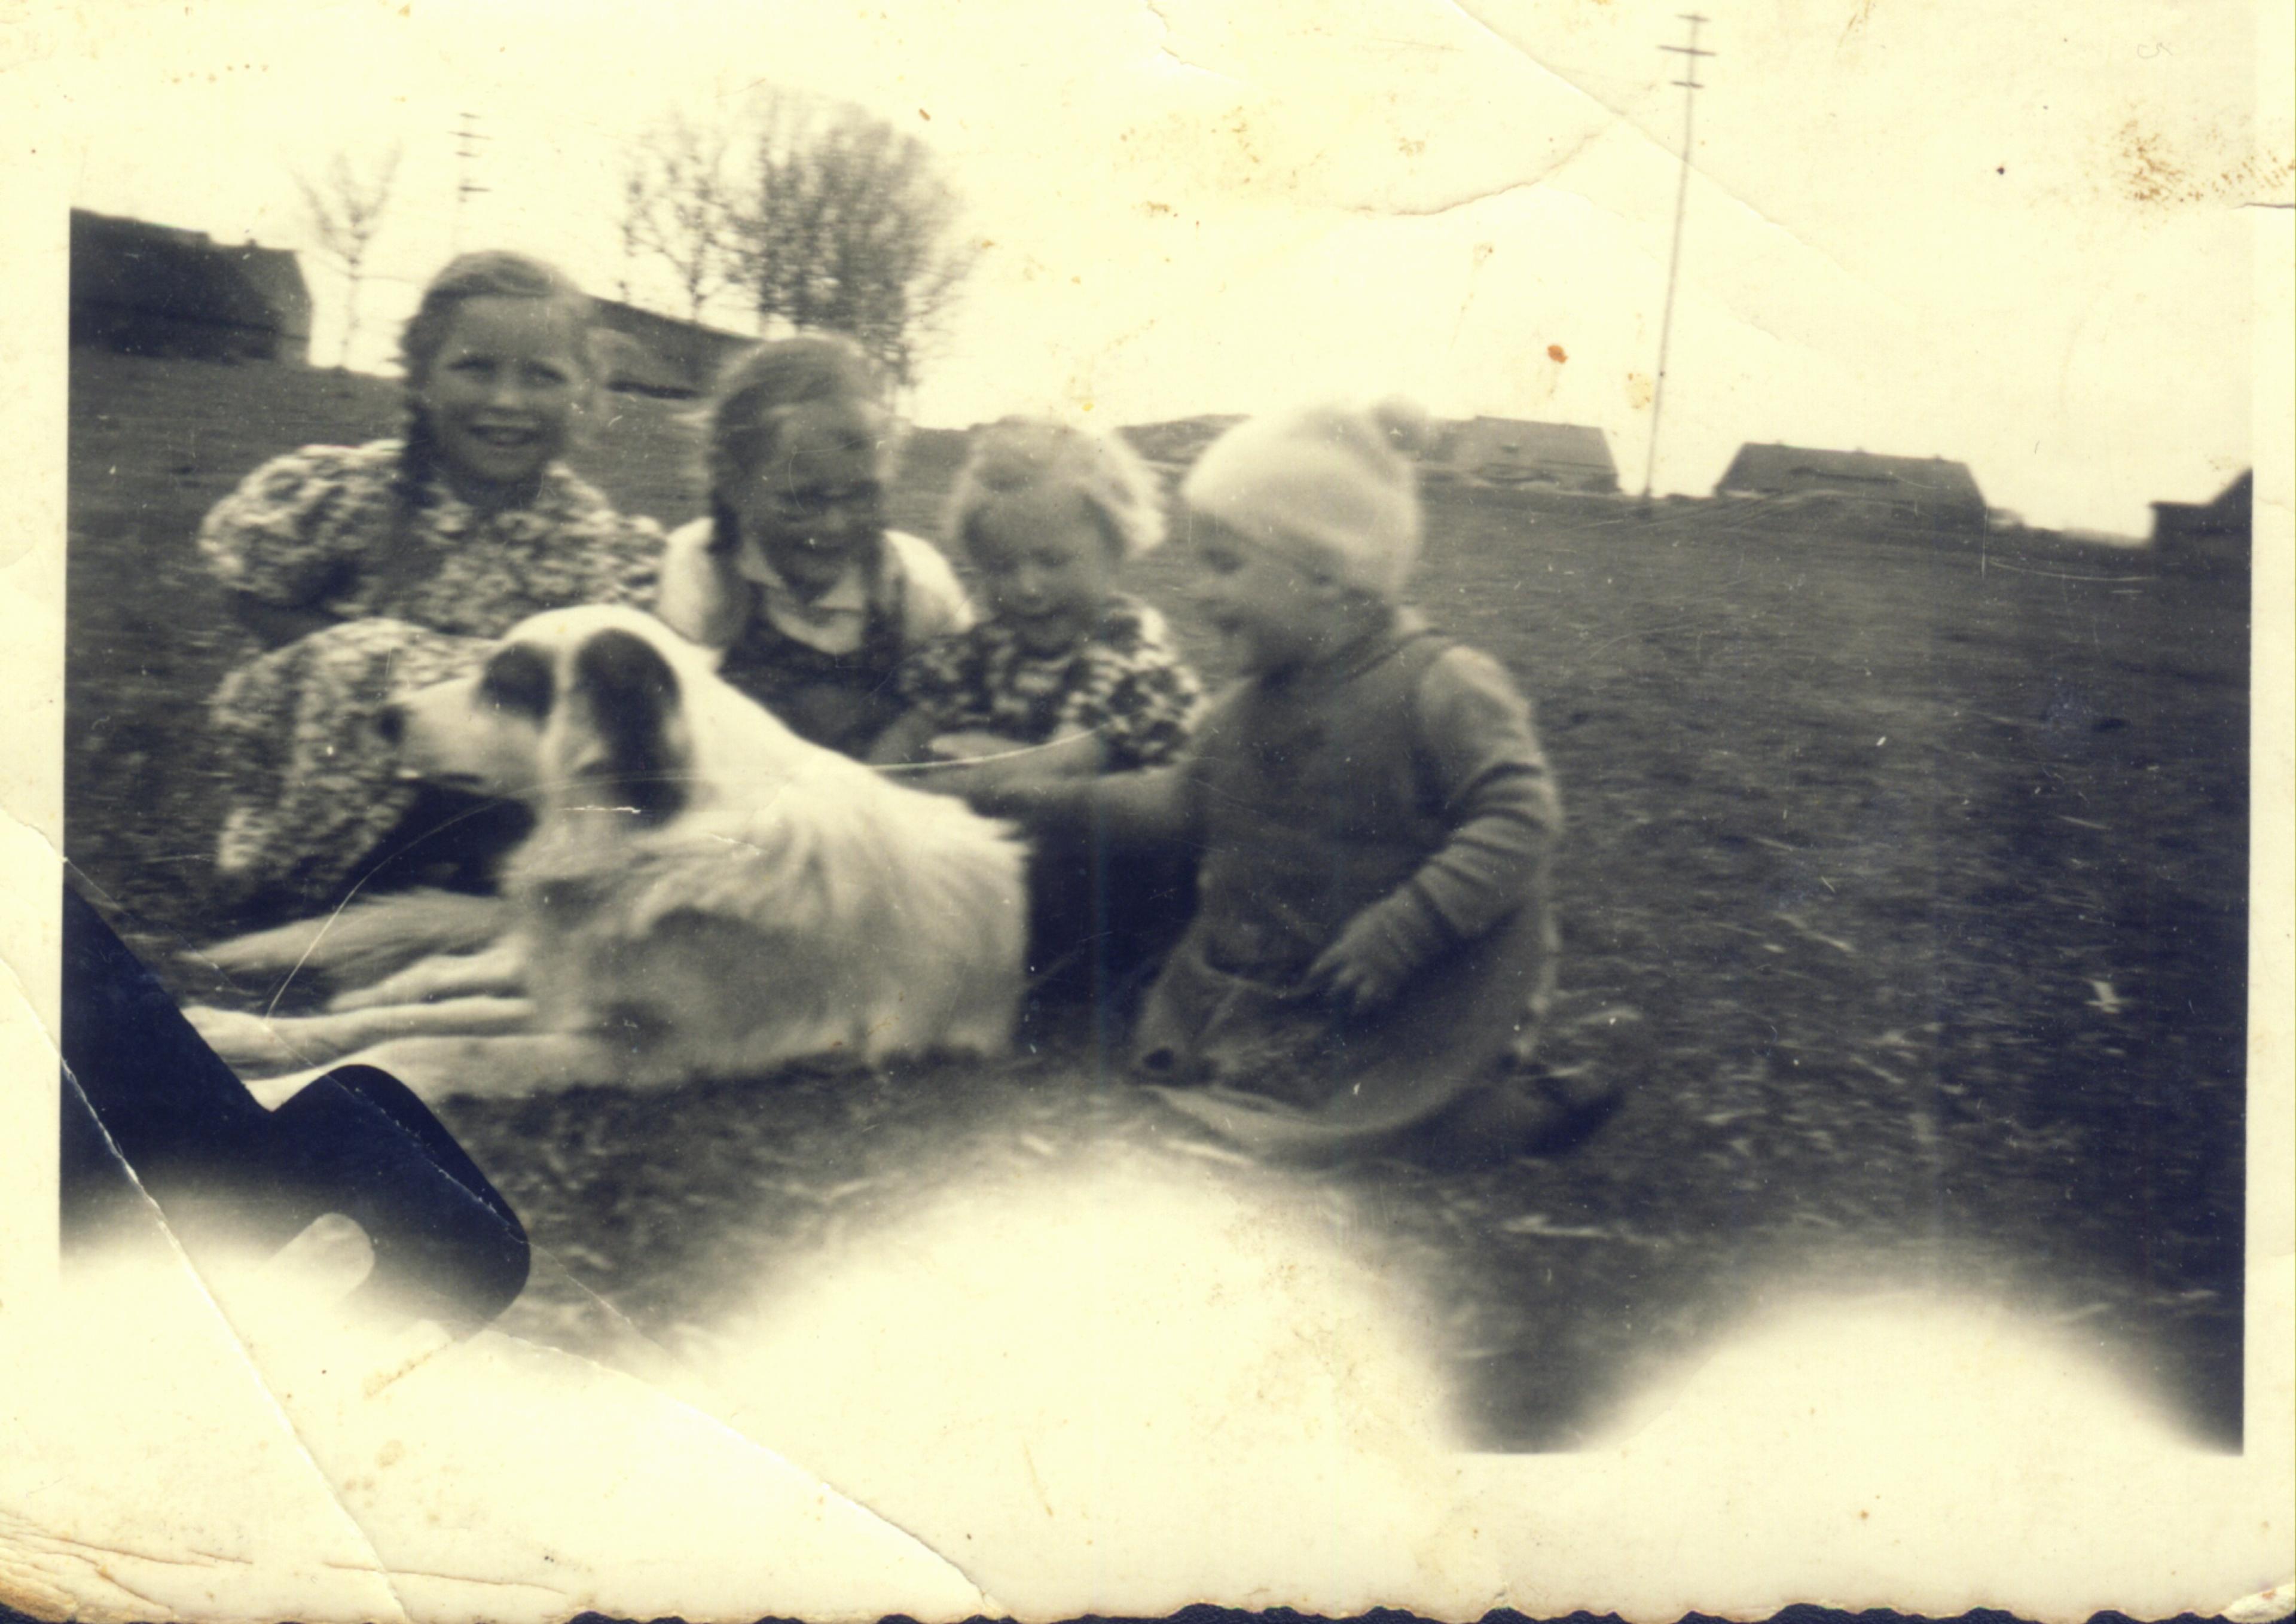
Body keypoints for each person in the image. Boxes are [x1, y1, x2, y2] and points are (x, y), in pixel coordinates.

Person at [977, 399, 1613, 1164]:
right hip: (1287, 975)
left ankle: (1522, 1108)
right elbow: (1180, 804)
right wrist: (1040, 800)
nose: (1200, 593)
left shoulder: (1441, 685)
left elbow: (1522, 818)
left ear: (1327, 574)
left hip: (1410, 985)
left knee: (1406, 1111)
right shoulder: (1245, 706)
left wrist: (1406, 928)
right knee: (1232, 1091)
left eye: (1225, 565)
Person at [199, 251, 662, 917]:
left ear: (583, 394)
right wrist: (364, 659)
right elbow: (253, 589)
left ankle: (477, 870)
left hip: (487, 774)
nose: (506, 401)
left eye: (541, 377)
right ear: (421, 378)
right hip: (337, 771)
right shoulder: (354, 494)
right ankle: (313, 883)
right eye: (476, 368)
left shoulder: (591, 537)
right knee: (366, 663)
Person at [871, 417, 1205, 997]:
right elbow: (914, 725)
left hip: (1118, 859)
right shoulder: (987, 648)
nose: (1028, 587)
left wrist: (922, 793)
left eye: (1052, 561)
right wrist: (868, 786)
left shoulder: (1126, 645)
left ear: (1115, 548)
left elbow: (1061, 766)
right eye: (1003, 567)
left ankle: (1068, 969)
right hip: (1018, 833)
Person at [654, 336, 973, 756]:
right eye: (801, 500)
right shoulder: (700, 568)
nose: (834, 525)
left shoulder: (915, 584)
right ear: (732, 482)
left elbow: (969, 702)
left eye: (861, 496)